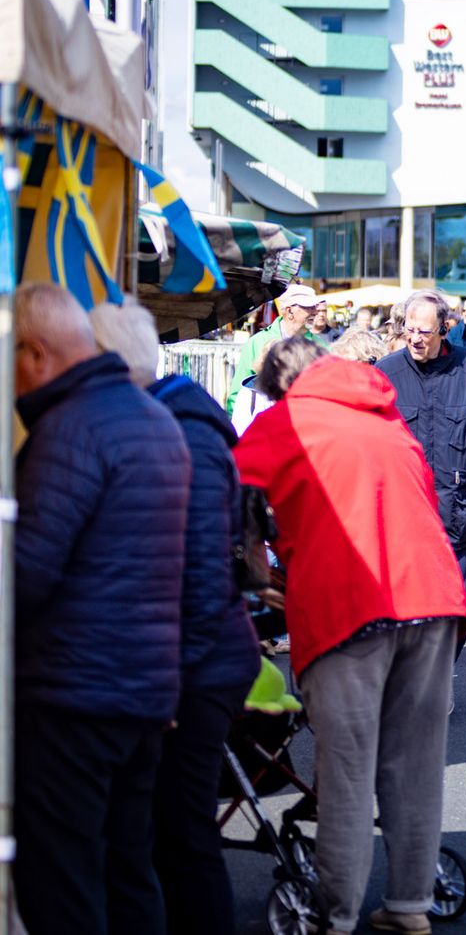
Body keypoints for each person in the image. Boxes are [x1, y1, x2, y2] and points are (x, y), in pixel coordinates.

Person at [236, 339, 466, 935]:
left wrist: (257, 577)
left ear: (277, 386)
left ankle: (333, 915)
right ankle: (410, 906)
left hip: (349, 603)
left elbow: (233, 503)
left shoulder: (280, 421)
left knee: (346, 771)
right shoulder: (386, 415)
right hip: (433, 596)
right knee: (414, 764)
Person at [12, 283, 192, 935]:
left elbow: (25, 572)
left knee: (66, 885)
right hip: (141, 693)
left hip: (76, 698)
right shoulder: (153, 420)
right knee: (127, 873)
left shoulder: (70, 429)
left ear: (33, 354)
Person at [90, 300, 263, 935]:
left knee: (182, 834)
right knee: (169, 832)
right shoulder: (180, 421)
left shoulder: (180, 429)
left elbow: (197, 575)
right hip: (197, 656)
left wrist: (169, 678)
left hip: (197, 662)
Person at [377, 290, 466, 610]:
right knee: (409, 609)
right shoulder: (386, 373)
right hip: (403, 518)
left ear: (444, 329)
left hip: (459, 514)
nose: (415, 339)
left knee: (458, 608)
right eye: (409, 330)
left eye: (424, 332)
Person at [231, 282, 319, 400]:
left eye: (315, 306)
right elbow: (237, 394)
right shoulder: (257, 342)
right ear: (289, 311)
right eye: (309, 306)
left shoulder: (320, 345)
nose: (315, 311)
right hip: (264, 417)